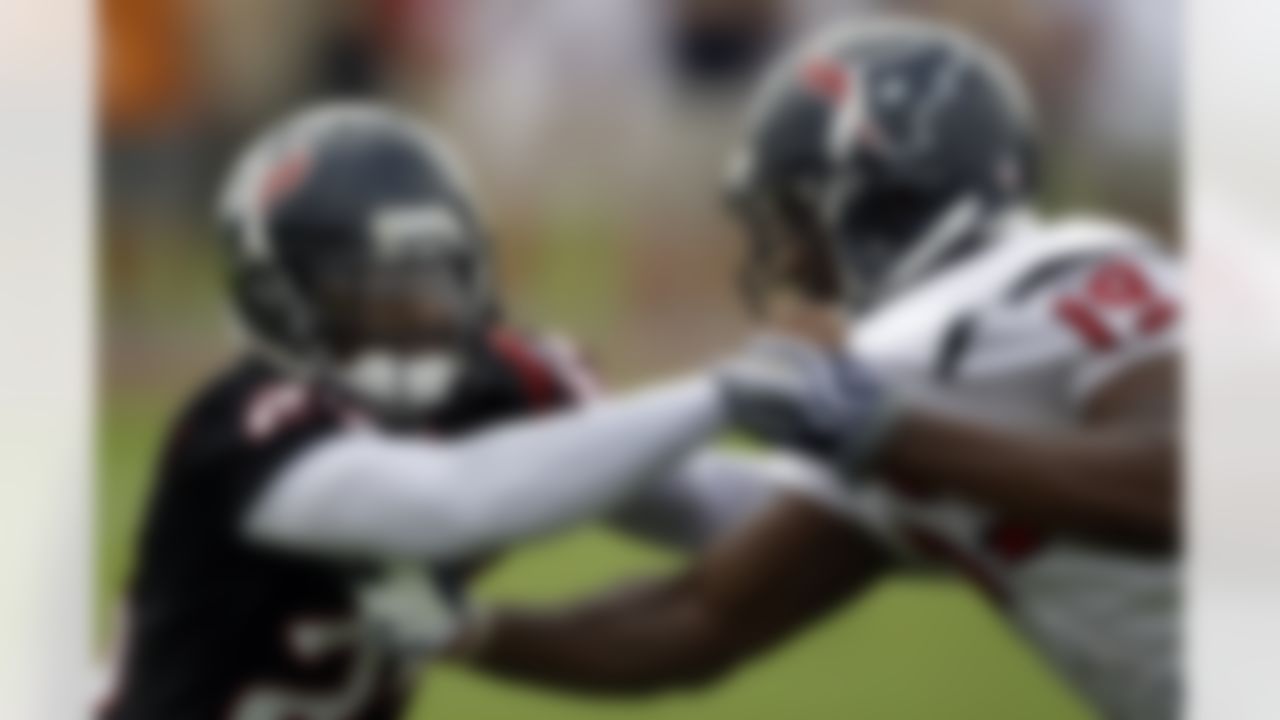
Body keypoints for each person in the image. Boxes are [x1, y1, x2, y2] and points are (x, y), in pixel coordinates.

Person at [449, 20, 1180, 720]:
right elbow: (694, 617)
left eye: (799, 222)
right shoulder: (929, 369)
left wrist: (885, 428)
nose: (790, 261)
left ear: (882, 198)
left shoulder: (1060, 281)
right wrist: (443, 628)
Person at [95, 102, 887, 720]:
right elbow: (445, 501)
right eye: (361, 289)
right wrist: (724, 390)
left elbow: (714, 508)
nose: (410, 313)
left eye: (428, 281)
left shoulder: (500, 385)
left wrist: (899, 502)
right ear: (276, 295)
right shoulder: (245, 424)